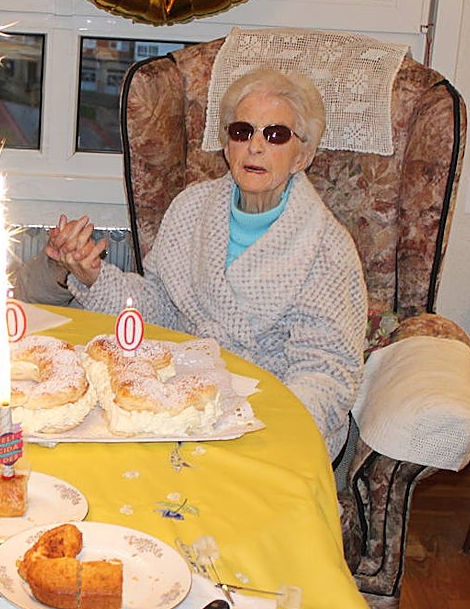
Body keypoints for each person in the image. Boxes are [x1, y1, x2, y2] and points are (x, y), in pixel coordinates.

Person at [31, 67, 367, 459]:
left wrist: (267, 426)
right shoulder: (191, 208)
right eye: (242, 131)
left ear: (302, 155)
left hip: (272, 415)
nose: (255, 147)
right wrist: (92, 276)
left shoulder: (327, 246)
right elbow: (158, 307)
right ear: (227, 146)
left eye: (275, 135)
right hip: (181, 392)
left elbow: (326, 371)